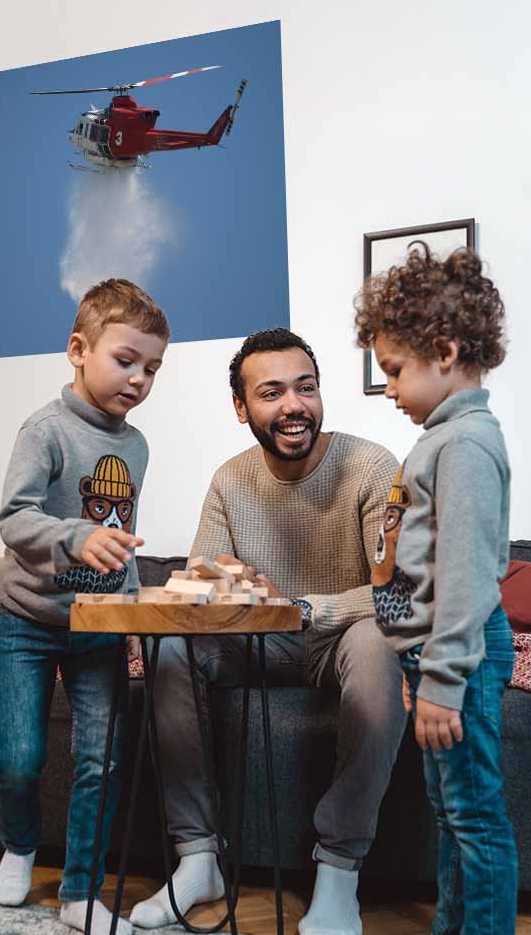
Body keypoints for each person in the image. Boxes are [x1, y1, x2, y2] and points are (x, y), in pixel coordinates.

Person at [129, 328, 406, 935]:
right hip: (260, 642)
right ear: (241, 407)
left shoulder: (371, 466)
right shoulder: (229, 480)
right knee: (170, 645)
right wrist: (222, 580)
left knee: (378, 640)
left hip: (340, 640)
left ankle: (339, 871)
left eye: (305, 388)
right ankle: (198, 858)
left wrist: (301, 609)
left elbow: (396, 594)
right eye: (272, 392)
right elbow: (200, 587)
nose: (293, 406)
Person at [0, 278, 169, 934]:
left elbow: (121, 538)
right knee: (17, 756)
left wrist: (131, 607)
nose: (139, 379)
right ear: (78, 350)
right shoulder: (45, 431)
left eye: (152, 368)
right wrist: (75, 537)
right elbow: (14, 519)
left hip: (101, 627)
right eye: (126, 360)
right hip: (29, 623)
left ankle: (79, 892)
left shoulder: (137, 445)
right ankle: (18, 845)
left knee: (103, 759)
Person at [354, 244, 517, 935]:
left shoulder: (465, 445)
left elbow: (467, 574)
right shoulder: (439, 439)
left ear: (445, 352)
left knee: (474, 817)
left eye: (394, 370)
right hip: (434, 659)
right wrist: (414, 669)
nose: (389, 388)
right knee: (451, 814)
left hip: (461, 658)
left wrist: (444, 679)